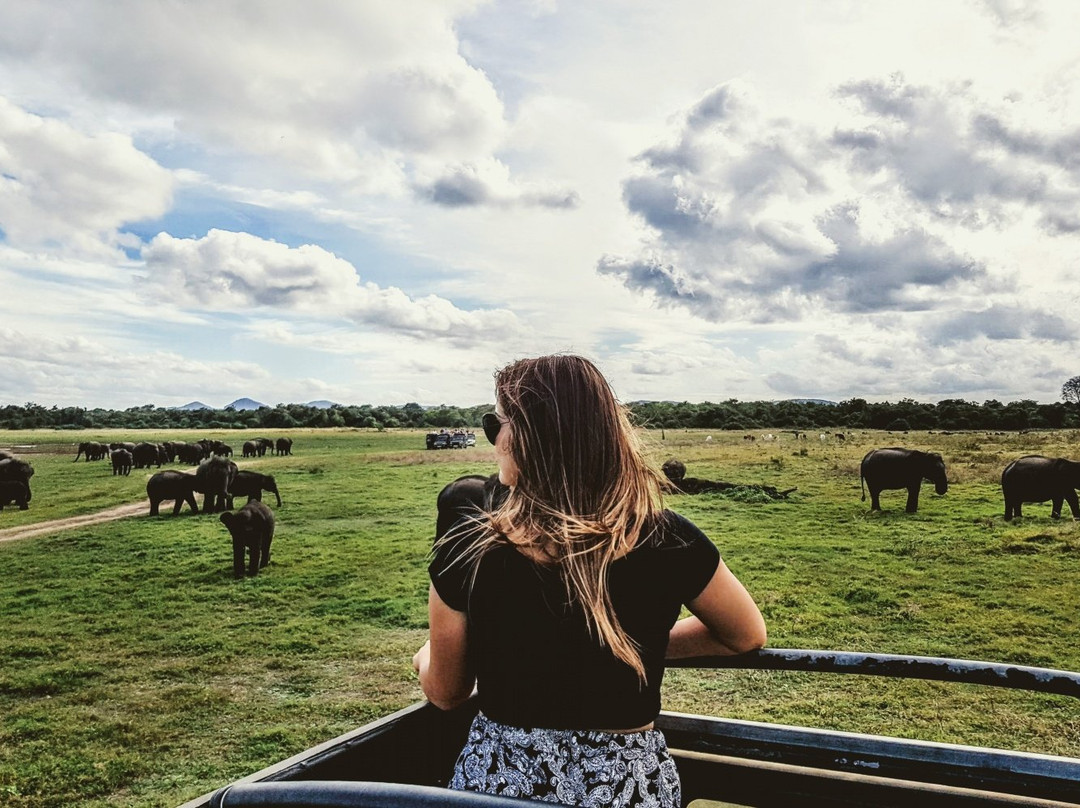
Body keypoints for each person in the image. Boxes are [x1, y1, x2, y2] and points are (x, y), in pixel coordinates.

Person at [413, 355, 766, 807]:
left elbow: (446, 693)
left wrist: (425, 655)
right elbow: (746, 635)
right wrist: (633, 644)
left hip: (499, 784)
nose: (494, 440)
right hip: (627, 788)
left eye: (494, 424)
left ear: (531, 437)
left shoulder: (470, 545)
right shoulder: (667, 536)